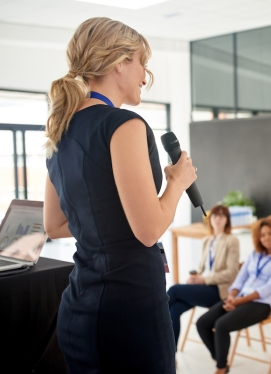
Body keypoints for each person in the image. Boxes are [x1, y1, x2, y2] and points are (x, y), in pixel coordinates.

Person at [43, 18, 197, 373]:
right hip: (130, 312)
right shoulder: (124, 125)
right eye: (142, 63)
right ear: (119, 62)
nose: (146, 76)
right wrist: (178, 181)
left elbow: (55, 224)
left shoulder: (60, 129)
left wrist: (111, 230)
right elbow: (149, 230)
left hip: (80, 309)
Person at [196, 215, 271, 374]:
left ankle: (221, 367)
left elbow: (268, 288)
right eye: (262, 235)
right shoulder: (254, 255)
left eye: (270, 233)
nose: (266, 238)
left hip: (261, 304)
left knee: (221, 325)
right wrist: (232, 297)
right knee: (202, 323)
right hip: (238, 298)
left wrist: (239, 301)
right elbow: (240, 279)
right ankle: (220, 358)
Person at [167, 205, 240, 346]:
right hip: (203, 287)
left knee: (174, 290)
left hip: (218, 290)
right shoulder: (208, 240)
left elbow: (232, 273)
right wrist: (195, 278)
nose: (217, 219)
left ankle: (151, 317)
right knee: (174, 310)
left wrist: (204, 279)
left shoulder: (231, 240)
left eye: (221, 216)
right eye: (214, 216)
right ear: (210, 219)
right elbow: (202, 268)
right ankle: (171, 355)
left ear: (227, 220)